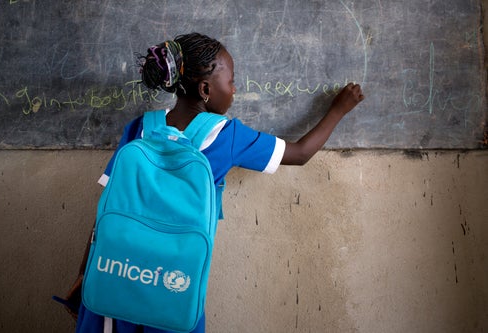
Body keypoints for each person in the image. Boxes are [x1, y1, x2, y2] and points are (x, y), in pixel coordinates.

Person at [67, 32, 364, 333]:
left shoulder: (140, 128)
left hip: (115, 271)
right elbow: (300, 153)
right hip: (173, 282)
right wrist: (339, 109)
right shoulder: (228, 135)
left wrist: (84, 272)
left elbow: (106, 210)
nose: (235, 90)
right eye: (232, 81)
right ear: (206, 88)